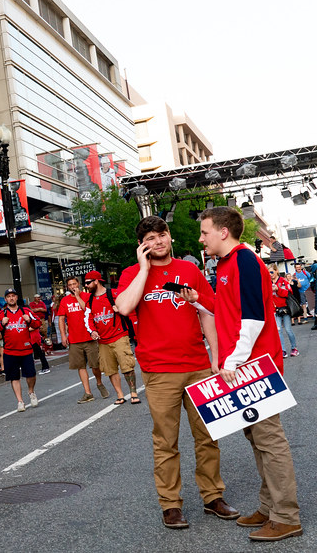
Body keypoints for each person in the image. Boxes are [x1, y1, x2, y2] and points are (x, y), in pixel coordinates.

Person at [114, 216, 238, 531]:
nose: (157, 242)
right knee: (166, 441)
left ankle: (213, 497)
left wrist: (216, 354)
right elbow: (125, 307)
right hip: (159, 371)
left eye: (161, 235)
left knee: (208, 435)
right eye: (150, 238)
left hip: (197, 365)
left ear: (169, 236)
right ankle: (171, 505)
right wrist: (144, 269)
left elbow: (208, 311)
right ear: (142, 245)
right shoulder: (132, 274)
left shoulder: (189, 271)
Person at [198, 207, 302, 542]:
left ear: (223, 232)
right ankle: (270, 506)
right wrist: (197, 299)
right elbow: (227, 309)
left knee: (269, 441)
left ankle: (286, 517)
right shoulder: (227, 264)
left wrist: (232, 361)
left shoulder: (243, 260)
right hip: (244, 367)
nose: (201, 239)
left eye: (205, 232)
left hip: (256, 366)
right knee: (257, 439)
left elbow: (254, 318)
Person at [83, 271, 138, 404]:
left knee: (127, 366)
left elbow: (131, 306)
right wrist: (92, 331)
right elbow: (87, 319)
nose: (86, 286)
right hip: (102, 340)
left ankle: (133, 393)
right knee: (110, 369)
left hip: (120, 335)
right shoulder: (89, 300)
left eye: (88, 282)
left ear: (96, 281)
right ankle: (120, 395)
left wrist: (120, 309)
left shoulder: (113, 294)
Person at [57, 276, 108, 403]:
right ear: (67, 287)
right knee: (80, 366)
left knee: (95, 365)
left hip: (89, 336)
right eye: (70, 285)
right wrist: (63, 335)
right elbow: (61, 319)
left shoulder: (87, 296)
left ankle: (99, 382)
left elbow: (87, 309)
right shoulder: (65, 300)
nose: (73, 287)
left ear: (79, 284)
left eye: (75, 284)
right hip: (74, 339)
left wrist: (78, 296)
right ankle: (88, 392)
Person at [0, 289, 39, 411]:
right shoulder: (1, 314)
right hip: (10, 351)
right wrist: (1, 324)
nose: (11, 298)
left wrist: (29, 320)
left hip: (26, 350)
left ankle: (31, 392)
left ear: (16, 298)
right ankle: (20, 401)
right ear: (5, 299)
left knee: (31, 375)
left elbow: (37, 323)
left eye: (13, 296)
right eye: (8, 296)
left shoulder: (25, 311)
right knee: (14, 377)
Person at [270, 267, 297, 358]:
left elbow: (288, 293)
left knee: (288, 330)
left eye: (271, 272)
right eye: (268, 272)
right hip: (275, 310)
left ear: (276, 271)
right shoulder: (267, 282)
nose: (270, 274)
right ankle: (283, 350)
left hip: (285, 308)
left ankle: (294, 348)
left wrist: (278, 289)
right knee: (278, 331)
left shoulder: (283, 281)